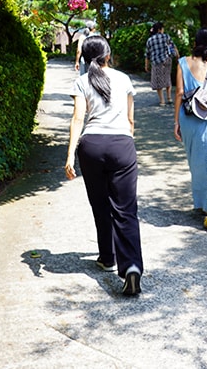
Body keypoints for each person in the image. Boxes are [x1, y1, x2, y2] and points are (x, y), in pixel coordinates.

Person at [65, 34, 143, 296]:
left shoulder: (81, 81)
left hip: (92, 146)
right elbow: (131, 121)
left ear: (86, 58)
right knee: (126, 209)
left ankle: (108, 257)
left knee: (100, 204)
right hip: (122, 144)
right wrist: (126, 145)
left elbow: (78, 119)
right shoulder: (123, 79)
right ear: (107, 55)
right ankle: (131, 266)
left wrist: (69, 157)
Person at [173, 27, 207, 233]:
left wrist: (176, 122)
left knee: (196, 161)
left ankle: (201, 204)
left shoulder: (182, 63)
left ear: (194, 42)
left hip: (189, 119)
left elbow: (179, 93)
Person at [144, 22, 178, 106]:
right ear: (159, 29)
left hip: (156, 62)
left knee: (158, 80)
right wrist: (178, 56)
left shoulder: (150, 40)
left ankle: (162, 101)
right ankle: (169, 98)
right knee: (167, 77)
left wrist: (146, 65)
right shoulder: (166, 36)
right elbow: (173, 47)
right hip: (167, 60)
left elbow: (147, 54)